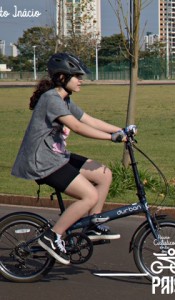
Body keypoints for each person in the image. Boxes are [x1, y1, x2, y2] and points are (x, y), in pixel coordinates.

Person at [11, 52, 129, 265]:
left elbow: (88, 119)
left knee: (104, 174)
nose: (81, 80)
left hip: (56, 157)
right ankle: (53, 236)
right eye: (77, 76)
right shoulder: (51, 99)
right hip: (42, 162)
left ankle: (92, 224)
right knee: (89, 196)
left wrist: (122, 130)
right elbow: (77, 127)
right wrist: (112, 138)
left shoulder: (64, 100)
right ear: (63, 78)